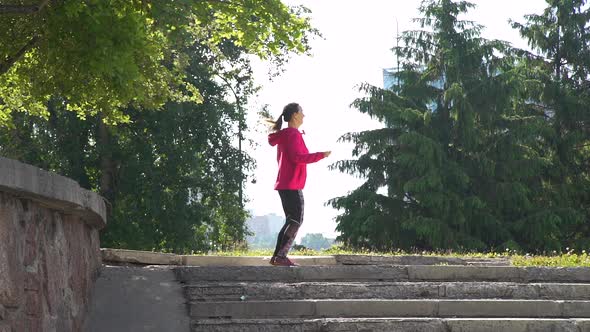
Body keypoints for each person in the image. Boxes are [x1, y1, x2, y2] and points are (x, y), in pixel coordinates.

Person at [267, 103, 331, 266]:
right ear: (295, 115)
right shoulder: (292, 134)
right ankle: (280, 256)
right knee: (296, 220)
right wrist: (320, 155)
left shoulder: (287, 134)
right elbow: (298, 157)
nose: (304, 115)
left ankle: (277, 257)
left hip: (285, 183)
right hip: (291, 184)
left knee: (292, 220)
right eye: (302, 112)